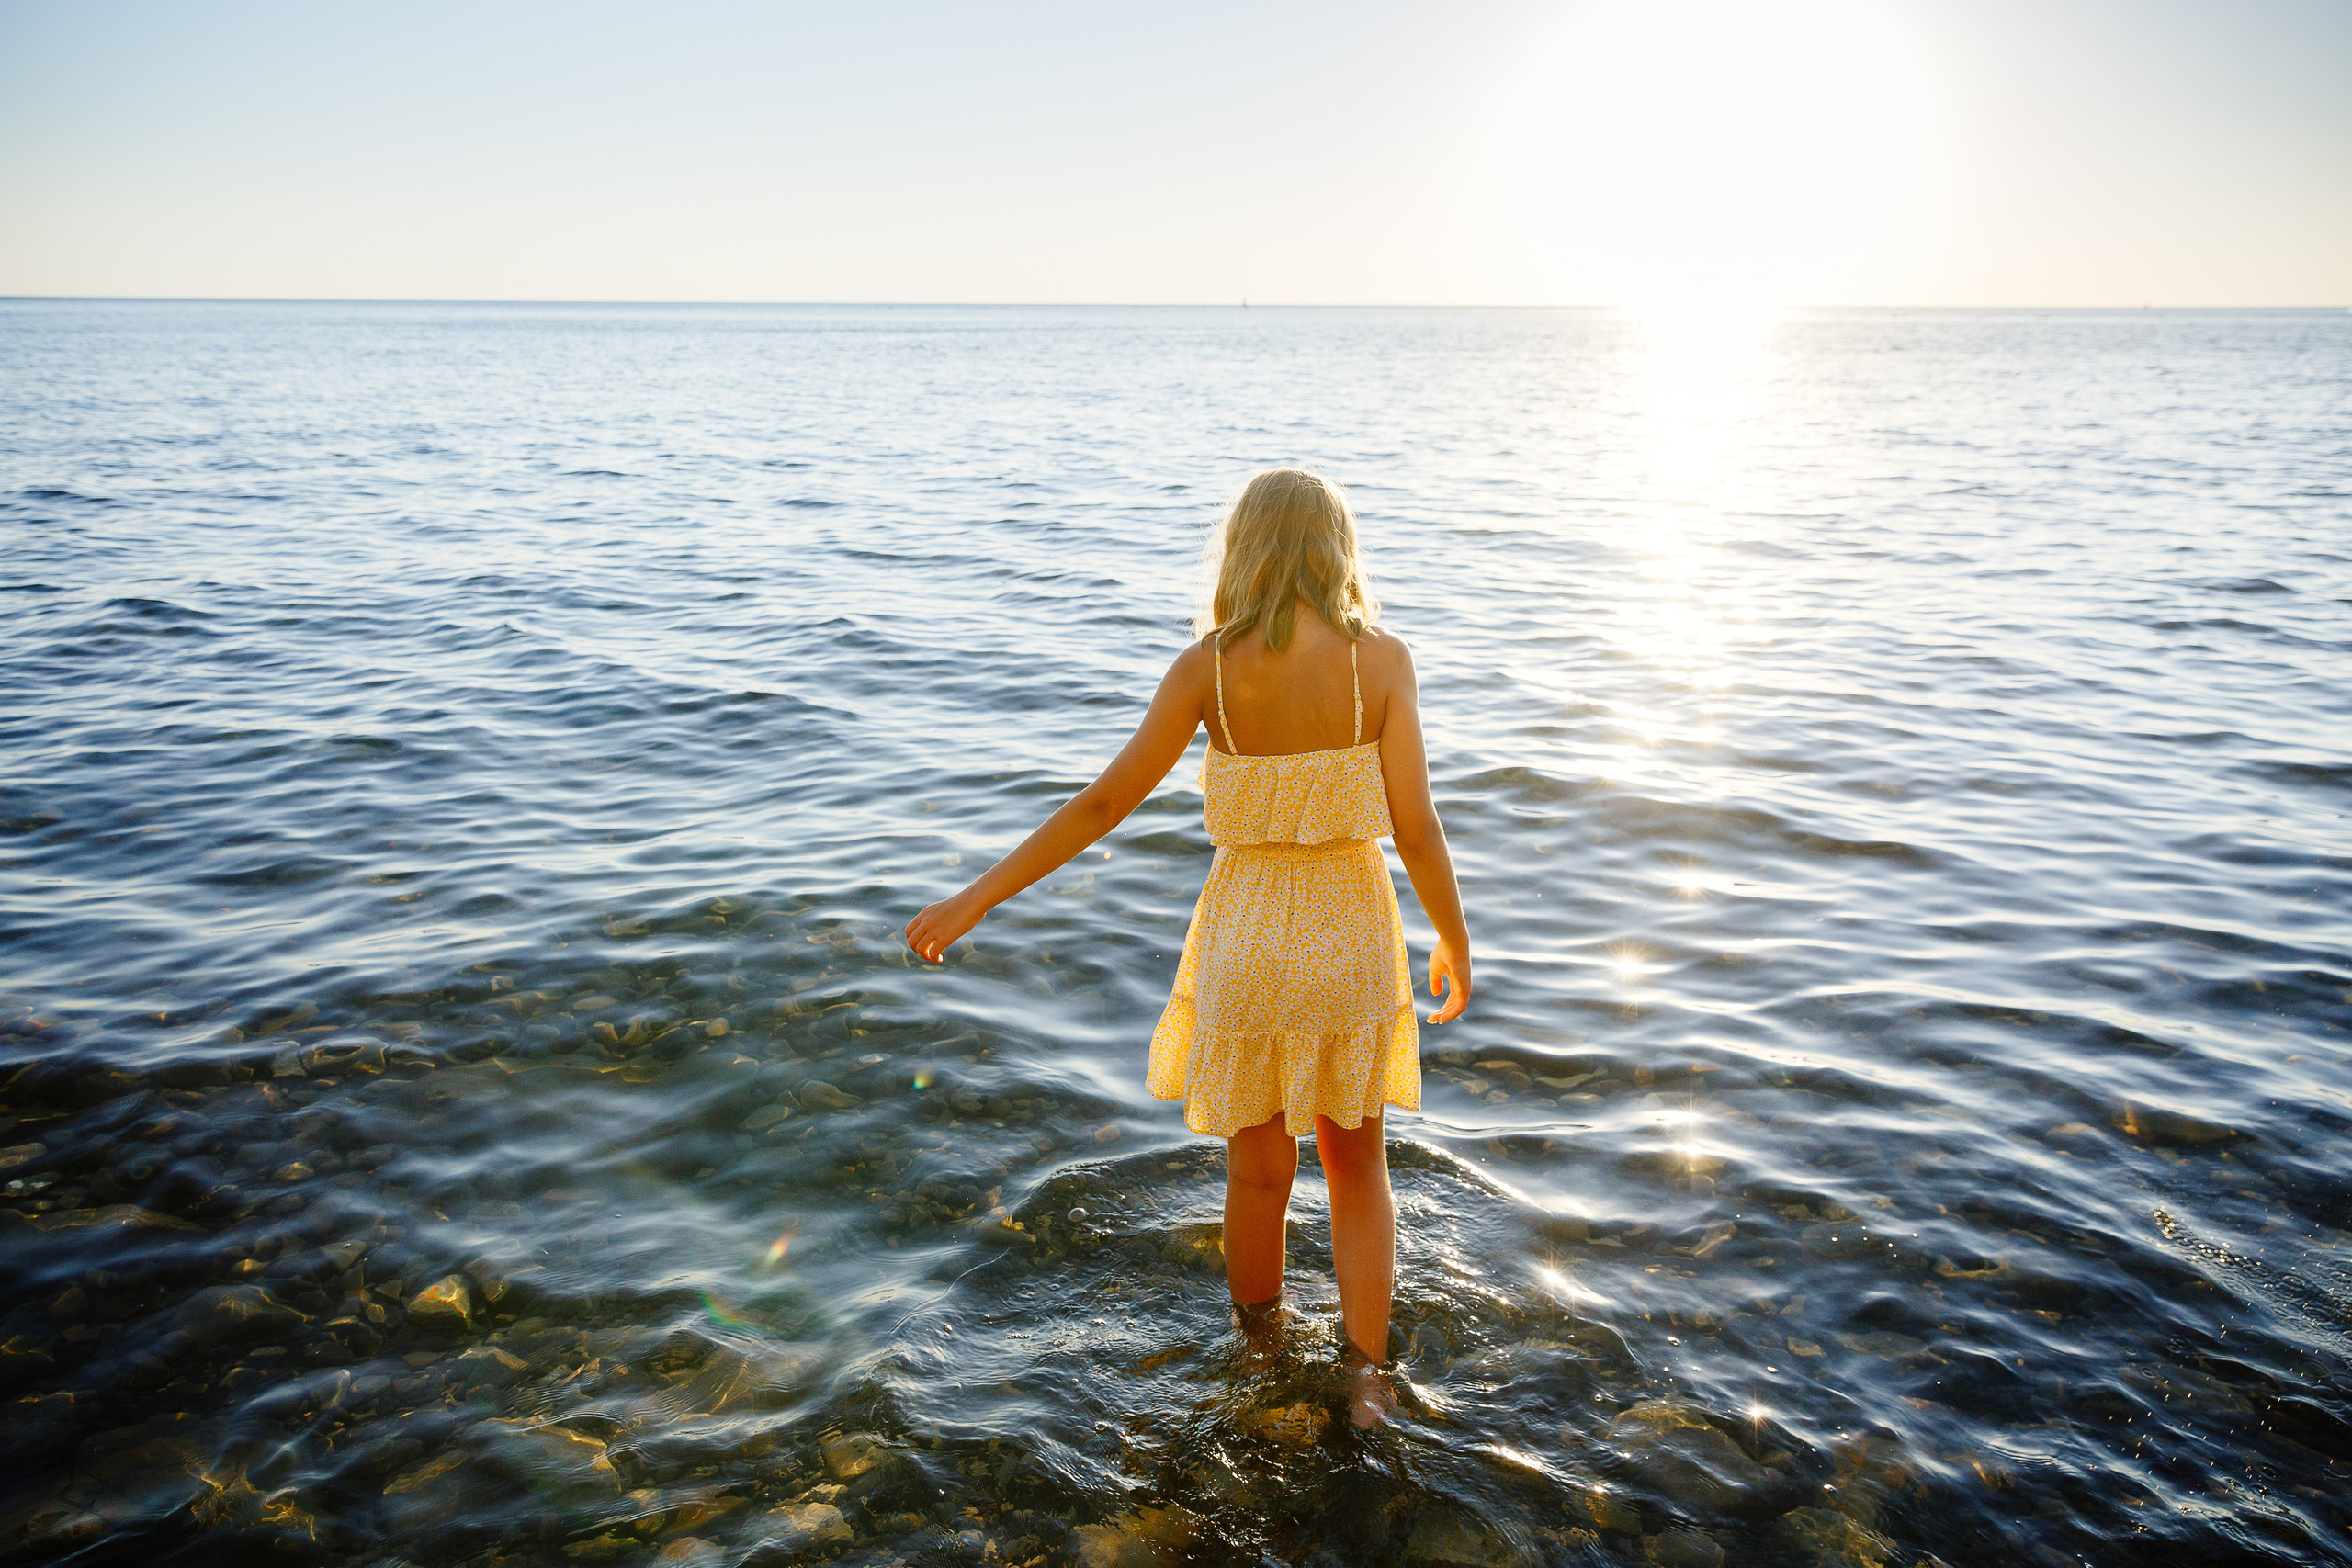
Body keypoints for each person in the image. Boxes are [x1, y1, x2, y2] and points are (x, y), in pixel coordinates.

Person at [904, 467, 1472, 1428]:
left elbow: (1102, 803)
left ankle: (1256, 1356)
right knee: (1356, 1166)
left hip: (1243, 931)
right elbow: (1415, 826)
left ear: (1242, 547)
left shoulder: (1206, 668)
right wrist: (1454, 939)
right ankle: (1367, 1383)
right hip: (1347, 929)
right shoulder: (1381, 662)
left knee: (1256, 1168)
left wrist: (977, 897)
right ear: (1338, 548)